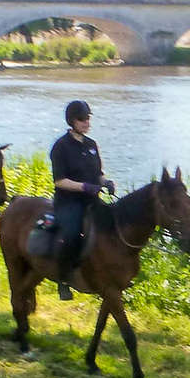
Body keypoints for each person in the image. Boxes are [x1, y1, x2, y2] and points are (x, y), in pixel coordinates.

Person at [49, 99, 114, 301]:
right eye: (82, 119)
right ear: (71, 121)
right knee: (71, 233)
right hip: (69, 201)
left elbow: (98, 174)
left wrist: (106, 182)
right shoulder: (61, 147)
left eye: (88, 118)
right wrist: (84, 187)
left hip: (91, 200)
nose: (86, 122)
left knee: (114, 224)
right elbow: (60, 181)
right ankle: (64, 279)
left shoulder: (92, 145)